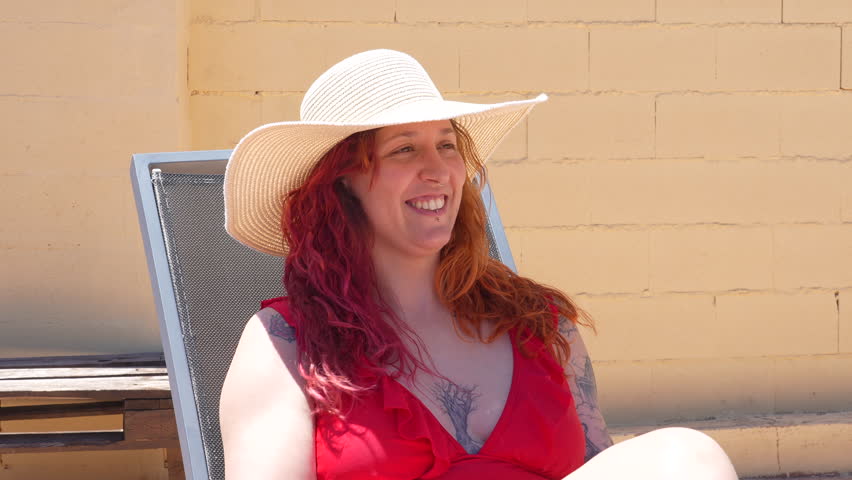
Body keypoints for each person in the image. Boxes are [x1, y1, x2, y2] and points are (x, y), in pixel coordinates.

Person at [219, 49, 738, 480]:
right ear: (341, 184)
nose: (438, 169)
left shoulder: (537, 322)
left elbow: (597, 464)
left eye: (447, 145)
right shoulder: (285, 346)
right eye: (404, 149)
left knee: (686, 455)